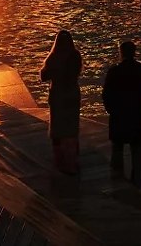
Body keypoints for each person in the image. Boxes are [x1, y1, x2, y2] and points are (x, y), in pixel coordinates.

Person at [102, 40, 141, 188]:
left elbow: (106, 95)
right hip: (137, 119)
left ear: (121, 53)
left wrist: (111, 110)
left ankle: (118, 184)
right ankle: (136, 185)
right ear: (134, 52)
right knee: (137, 154)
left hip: (119, 118)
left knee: (117, 151)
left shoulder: (114, 71)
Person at [40, 30, 82, 174]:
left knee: (58, 127)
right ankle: (73, 160)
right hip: (72, 95)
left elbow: (43, 76)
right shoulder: (75, 56)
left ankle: (60, 161)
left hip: (58, 96)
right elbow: (78, 72)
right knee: (71, 126)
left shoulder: (53, 58)